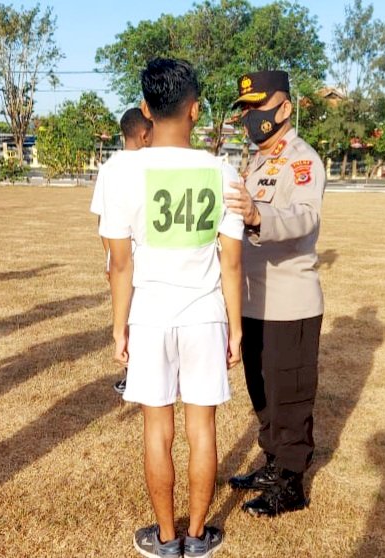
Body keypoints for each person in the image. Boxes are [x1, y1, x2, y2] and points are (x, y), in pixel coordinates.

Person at [100, 58, 243, 558]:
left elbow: (119, 265)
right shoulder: (221, 171)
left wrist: (119, 328)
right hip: (205, 315)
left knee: (157, 429)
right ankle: (199, 536)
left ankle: (165, 539)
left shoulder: (120, 171)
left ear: (145, 109)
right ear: (196, 109)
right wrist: (236, 329)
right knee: (202, 429)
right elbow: (232, 263)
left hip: (151, 316)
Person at [223, 70, 326, 516]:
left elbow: (303, 218)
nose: (250, 117)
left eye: (258, 107)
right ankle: (271, 462)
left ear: (284, 108)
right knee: (262, 392)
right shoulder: (257, 160)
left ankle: (292, 483)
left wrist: (255, 213)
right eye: (245, 109)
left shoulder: (302, 160)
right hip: (253, 300)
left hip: (289, 303)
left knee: (290, 396)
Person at [90, 108, 152, 395]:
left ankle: (132, 373)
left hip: (120, 253)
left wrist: (110, 260)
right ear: (143, 134)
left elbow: (103, 221)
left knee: (125, 314)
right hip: (149, 253)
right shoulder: (154, 163)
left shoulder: (109, 168)